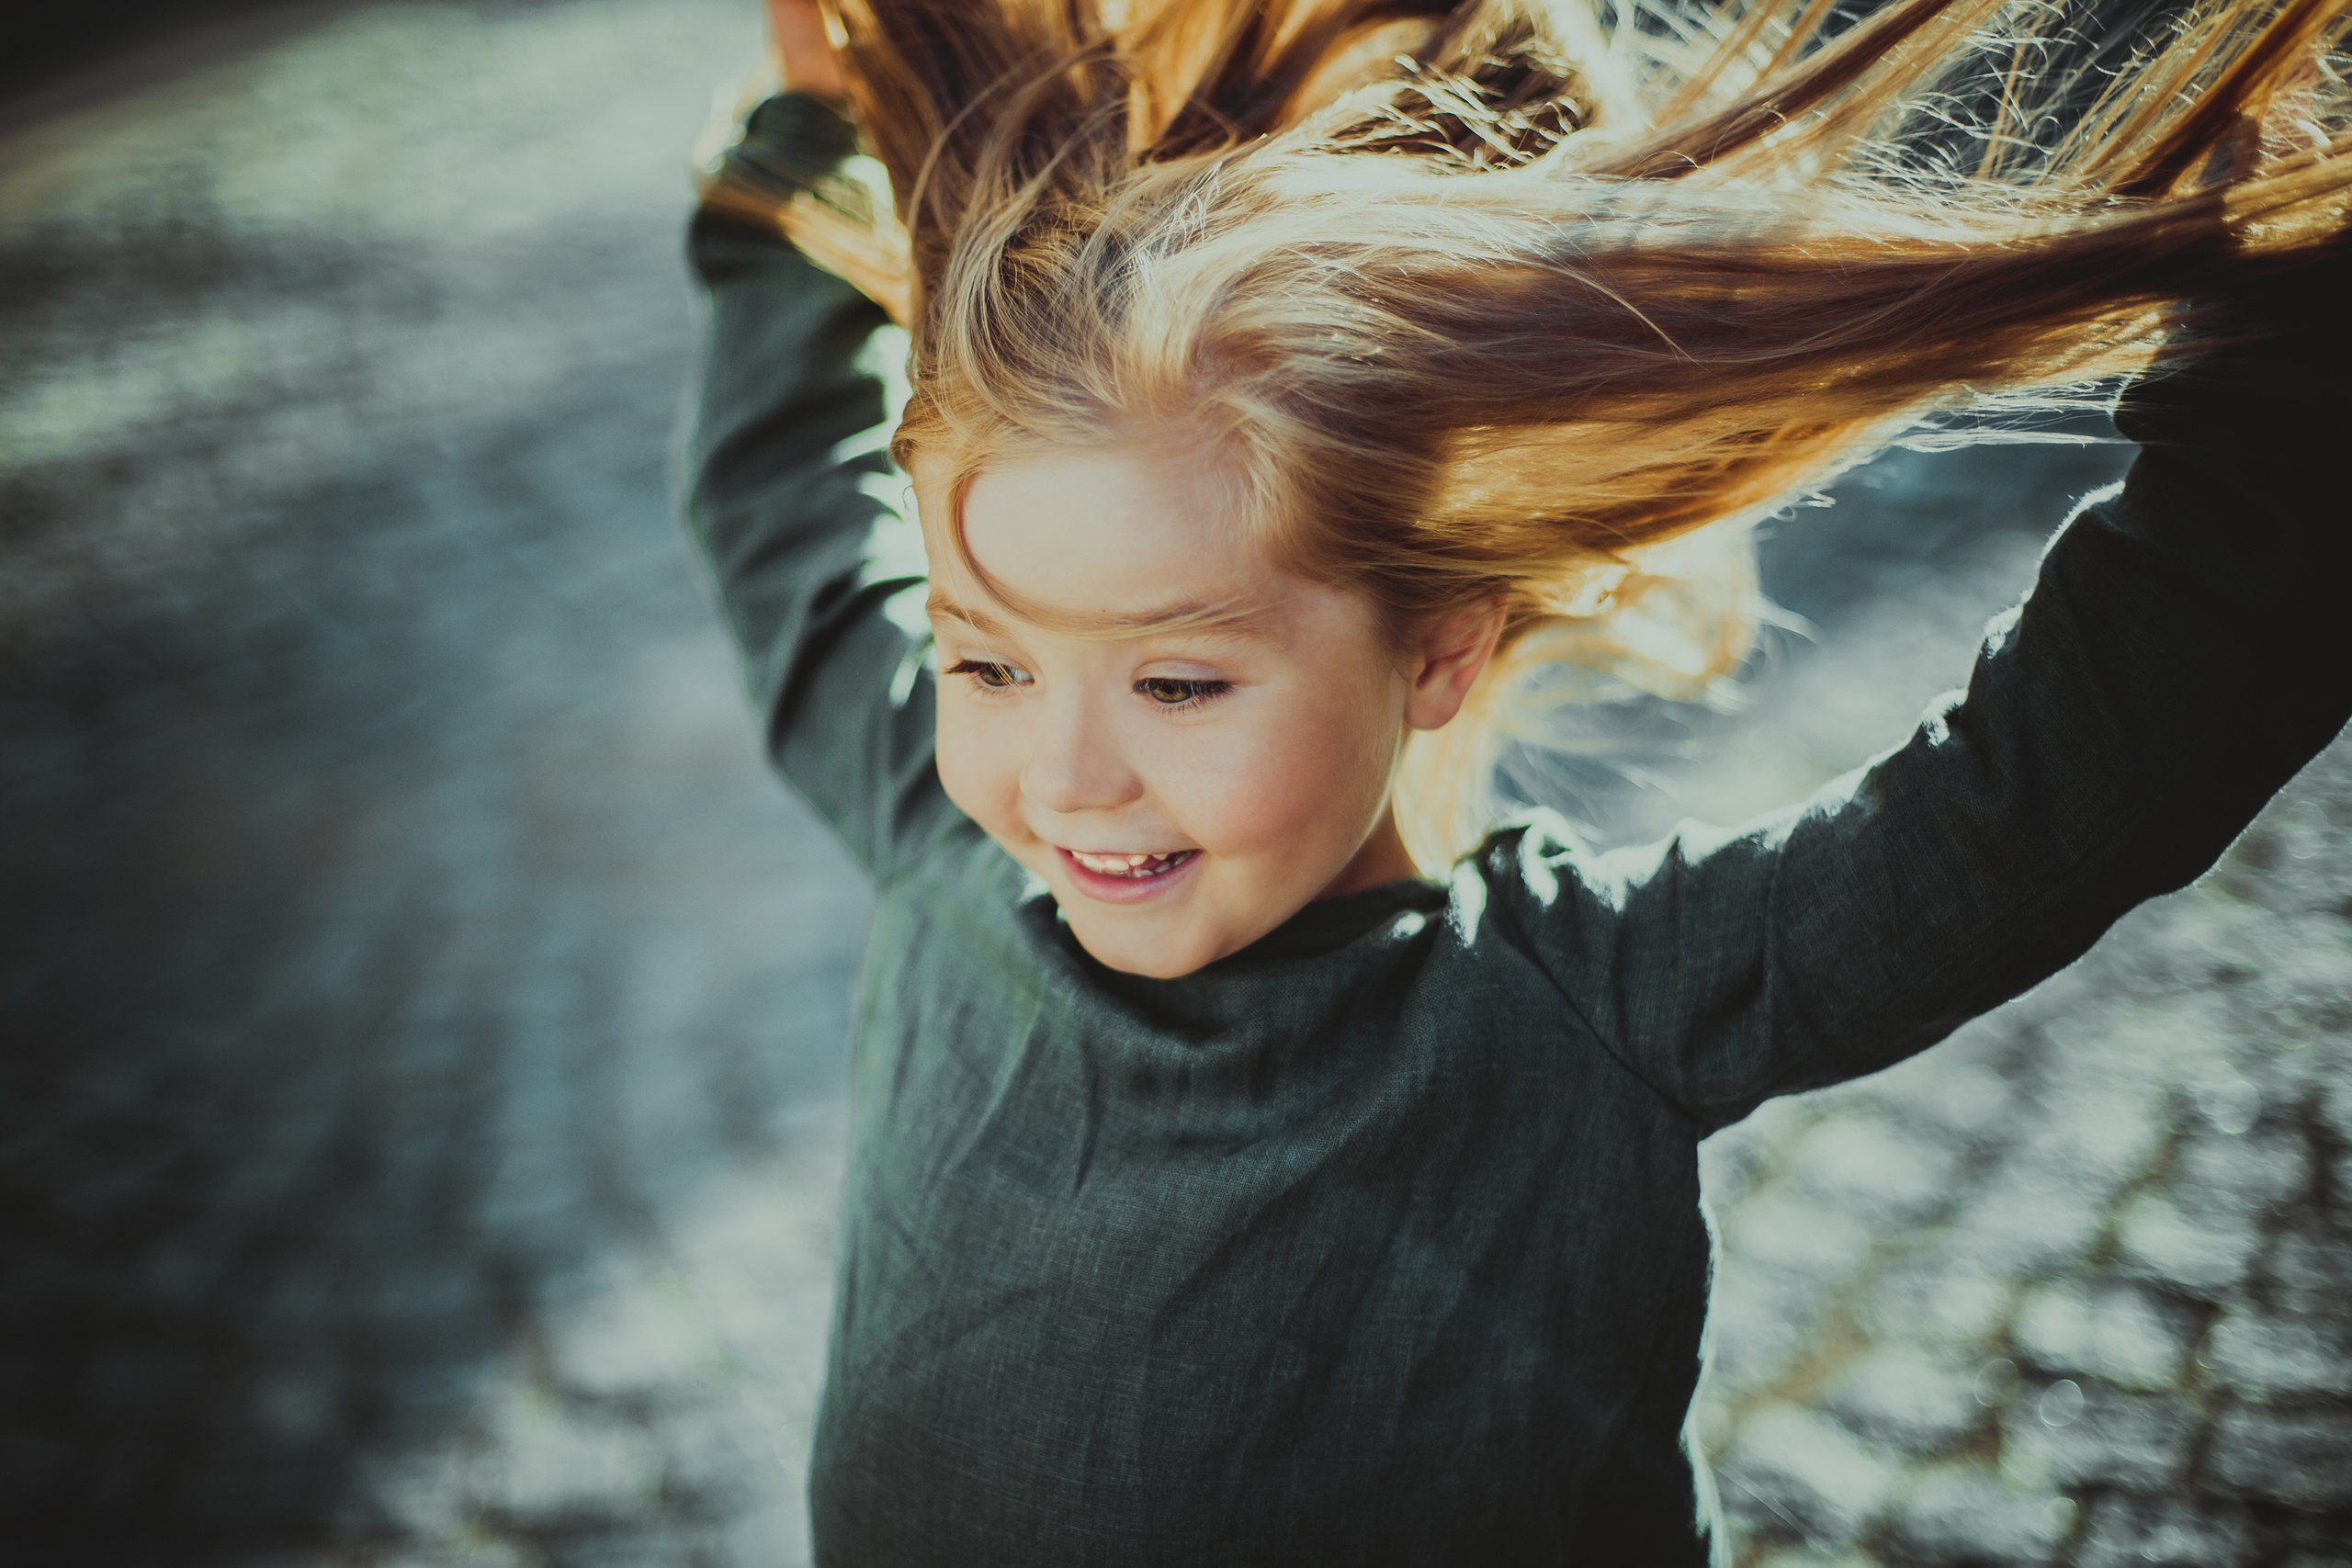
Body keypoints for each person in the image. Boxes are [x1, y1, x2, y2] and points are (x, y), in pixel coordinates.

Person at [683, 0, 2349, 1560]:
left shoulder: (1588, 1002)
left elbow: (2041, 805)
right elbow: (783, 515)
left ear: (1438, 652)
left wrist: (2297, 353)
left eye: (1179, 681)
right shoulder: (933, 829)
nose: (1062, 779)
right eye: (987, 661)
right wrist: (812, 126)